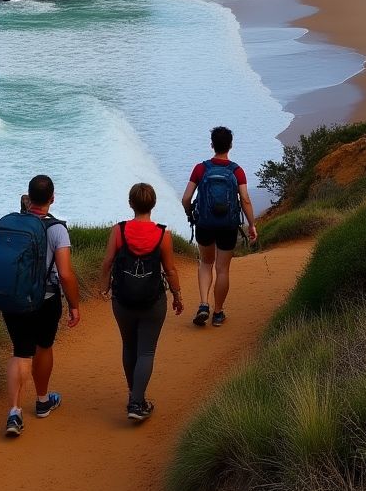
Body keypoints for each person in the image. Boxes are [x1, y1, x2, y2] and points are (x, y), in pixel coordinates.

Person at [0, 174, 81, 438]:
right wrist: (75, 305)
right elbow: (65, 274)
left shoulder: (9, 223)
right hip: (45, 300)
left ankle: (14, 412)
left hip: (13, 299)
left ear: (29, 197)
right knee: (43, 346)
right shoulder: (56, 229)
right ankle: (43, 401)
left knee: (21, 352)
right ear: (52, 199)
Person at [98, 182, 183, 422]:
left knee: (129, 346)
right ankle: (137, 402)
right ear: (153, 204)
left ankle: (133, 394)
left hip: (123, 300)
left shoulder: (119, 231)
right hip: (153, 301)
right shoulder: (163, 235)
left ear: (130, 204)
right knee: (146, 351)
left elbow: (107, 263)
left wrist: (104, 287)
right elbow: (170, 270)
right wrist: (177, 295)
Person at [181, 126, 258, 328]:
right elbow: (245, 200)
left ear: (212, 145)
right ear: (230, 145)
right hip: (228, 226)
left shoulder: (200, 169)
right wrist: (251, 225)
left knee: (206, 263)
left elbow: (186, 198)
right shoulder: (237, 171)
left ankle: (203, 304)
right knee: (222, 269)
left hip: (205, 224)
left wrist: (190, 214)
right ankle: (217, 313)